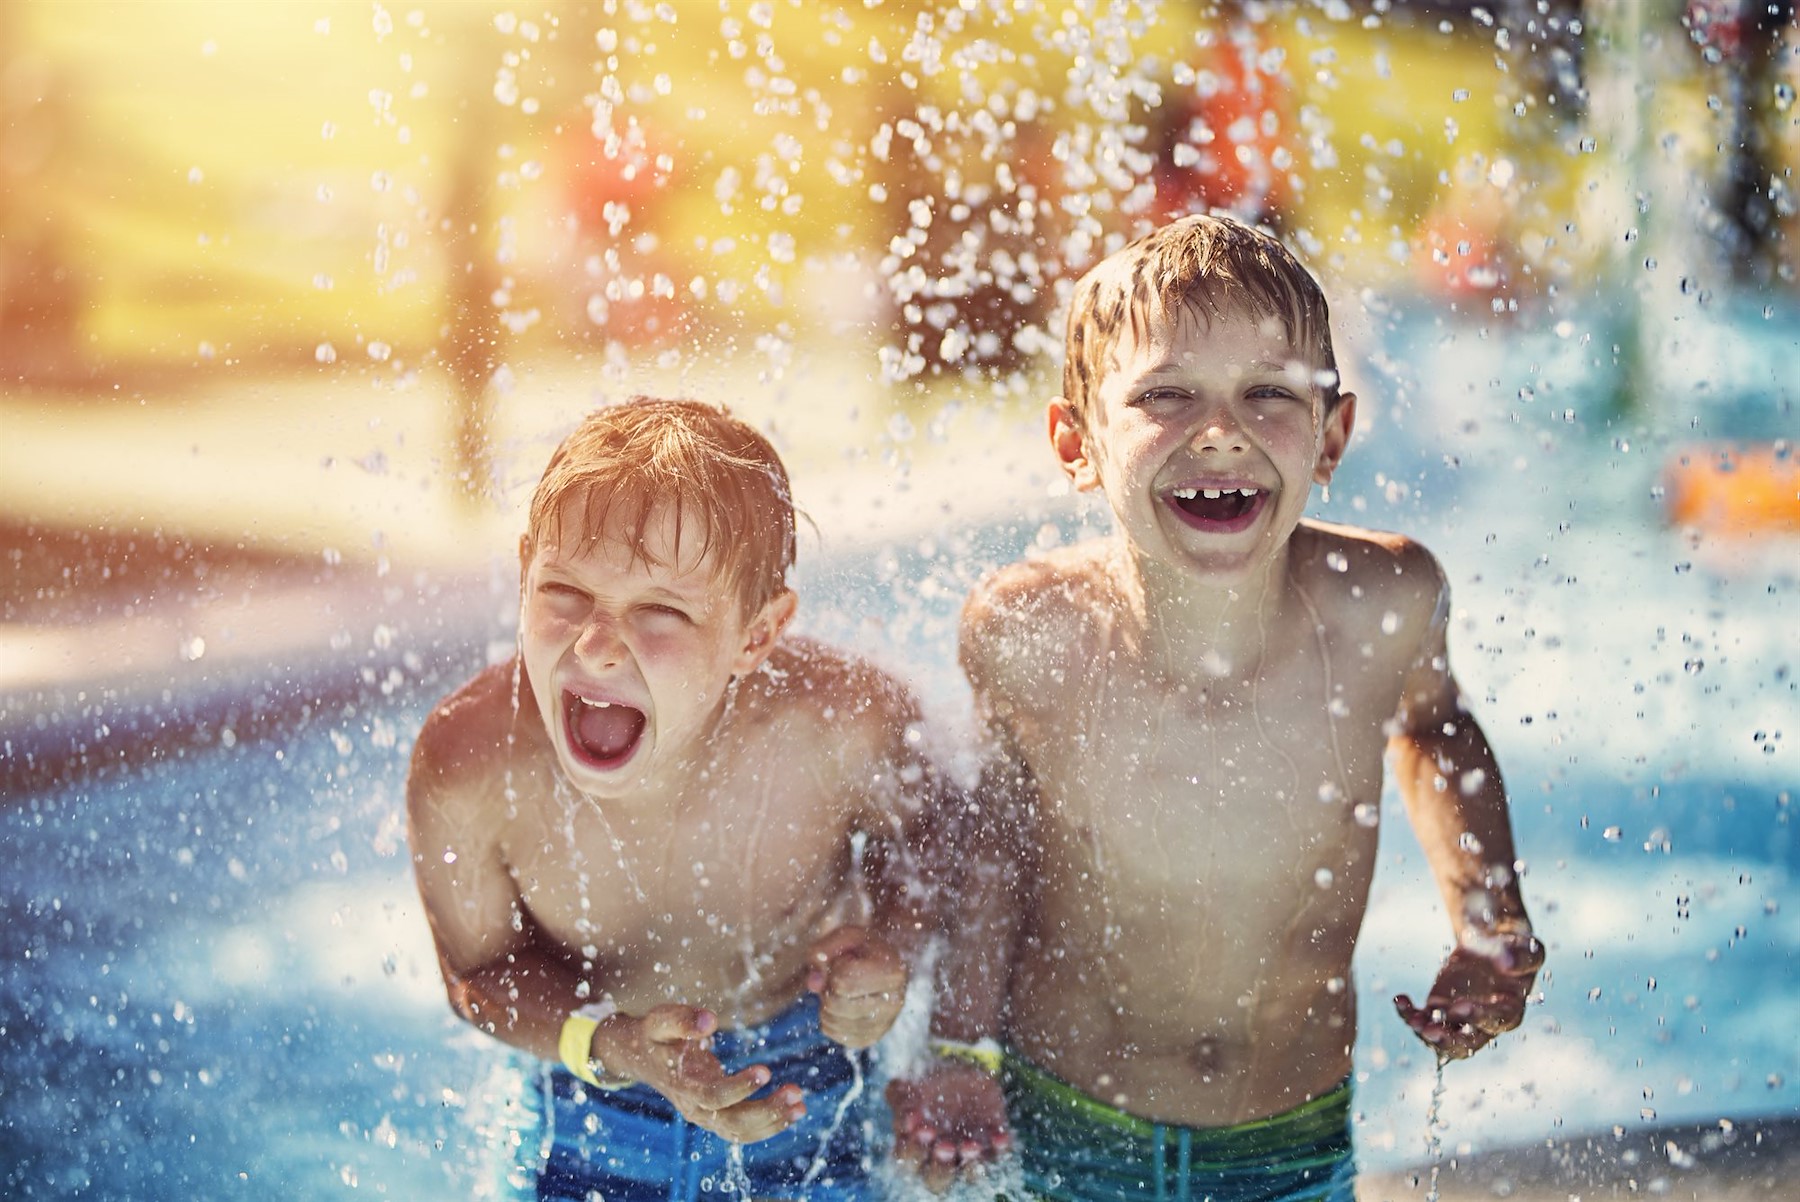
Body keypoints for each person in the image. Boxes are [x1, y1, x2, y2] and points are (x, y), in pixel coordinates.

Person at [889, 213, 1544, 1198]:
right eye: (1166, 392)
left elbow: (1433, 726)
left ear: (1333, 435)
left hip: (1290, 1136)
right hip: (1068, 1120)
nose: (1220, 429)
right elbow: (996, 845)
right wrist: (960, 1049)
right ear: (1077, 440)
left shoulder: (1382, 605)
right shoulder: (1033, 630)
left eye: (1268, 393)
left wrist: (1487, 912)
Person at [408, 398, 938, 1200]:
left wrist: (885, 958)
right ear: (523, 572)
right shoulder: (471, 762)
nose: (595, 644)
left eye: (659, 612)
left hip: (805, 1090)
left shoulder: (844, 728)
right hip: (586, 1108)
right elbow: (477, 972)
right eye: (563, 593)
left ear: (757, 636)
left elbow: (935, 847)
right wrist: (616, 1046)